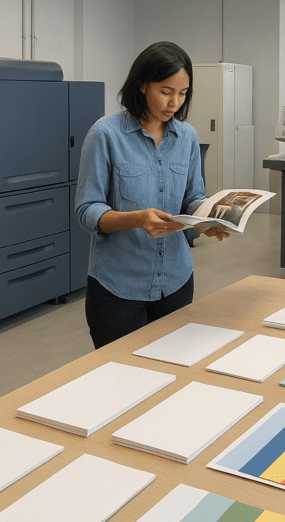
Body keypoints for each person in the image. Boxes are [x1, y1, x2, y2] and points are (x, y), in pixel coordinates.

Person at [75, 41, 227, 349]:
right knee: (122, 380)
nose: (175, 103)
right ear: (143, 85)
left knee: (173, 373)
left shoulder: (187, 137)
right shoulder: (105, 134)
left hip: (176, 282)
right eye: (166, 91)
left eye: (183, 94)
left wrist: (208, 218)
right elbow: (87, 210)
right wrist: (137, 219)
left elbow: (193, 197)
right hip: (119, 289)